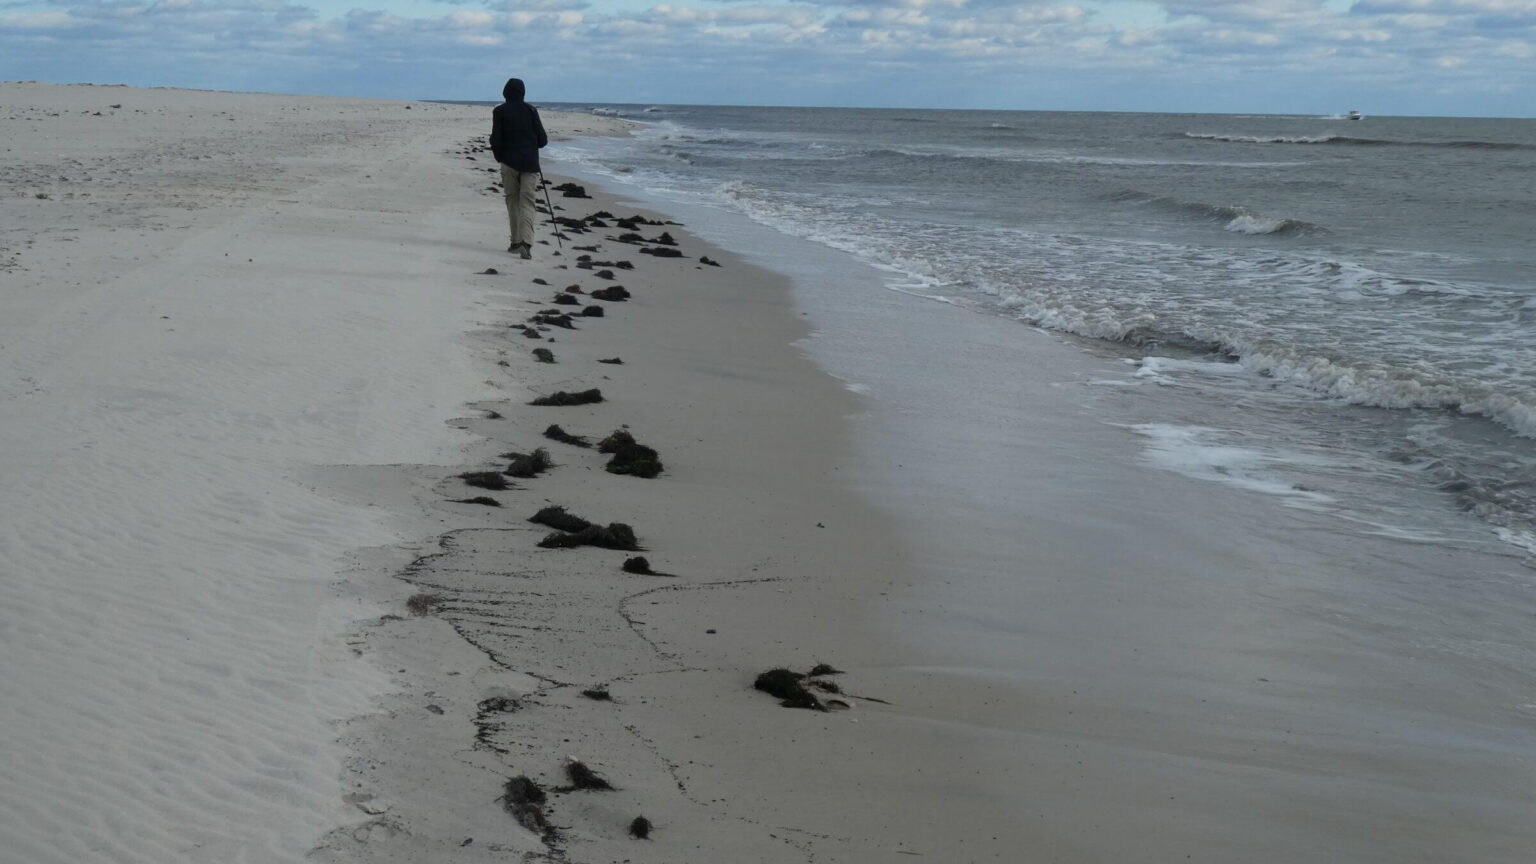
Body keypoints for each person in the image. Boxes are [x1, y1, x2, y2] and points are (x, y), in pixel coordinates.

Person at [490, 78, 548, 259]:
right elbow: (543, 140)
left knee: (512, 200)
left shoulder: (499, 111)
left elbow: (495, 139)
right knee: (528, 202)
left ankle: (515, 241)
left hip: (508, 162)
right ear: (523, 93)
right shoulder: (531, 110)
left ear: (505, 93)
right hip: (530, 164)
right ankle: (526, 243)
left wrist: (499, 157)